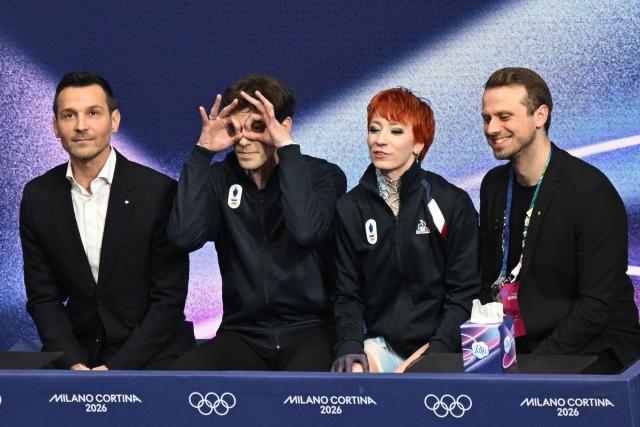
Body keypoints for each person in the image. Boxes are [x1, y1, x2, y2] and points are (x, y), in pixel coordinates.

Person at [168, 75, 346, 371]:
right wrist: (202, 153)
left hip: (311, 329)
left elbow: (306, 230)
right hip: (244, 334)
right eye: (235, 129)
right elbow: (183, 237)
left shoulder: (322, 176)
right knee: (178, 383)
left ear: (283, 127)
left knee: (297, 399)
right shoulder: (218, 180)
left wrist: (287, 150)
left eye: (258, 127)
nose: (244, 139)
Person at [20, 72, 195, 370]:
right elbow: (43, 297)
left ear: (114, 121)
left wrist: (117, 368)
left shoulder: (158, 192)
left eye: (93, 113)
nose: (81, 126)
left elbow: (168, 298)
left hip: (153, 356)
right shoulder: (38, 196)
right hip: (79, 357)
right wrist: (71, 360)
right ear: (55, 127)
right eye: (69, 115)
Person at [479, 67, 640, 373]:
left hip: (594, 345)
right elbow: (488, 278)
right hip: (523, 343)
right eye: (487, 118)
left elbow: (597, 306)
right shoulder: (494, 186)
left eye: (504, 116)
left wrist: (533, 367)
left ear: (540, 116)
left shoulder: (589, 190)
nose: (491, 128)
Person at [331, 88, 481, 373]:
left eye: (395, 131)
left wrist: (436, 353)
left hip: (441, 344)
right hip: (381, 343)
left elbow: (464, 293)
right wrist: (350, 346)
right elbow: (346, 293)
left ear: (419, 143)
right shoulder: (350, 207)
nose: (380, 140)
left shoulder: (450, 202)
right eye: (374, 129)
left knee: (412, 388)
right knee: (354, 380)